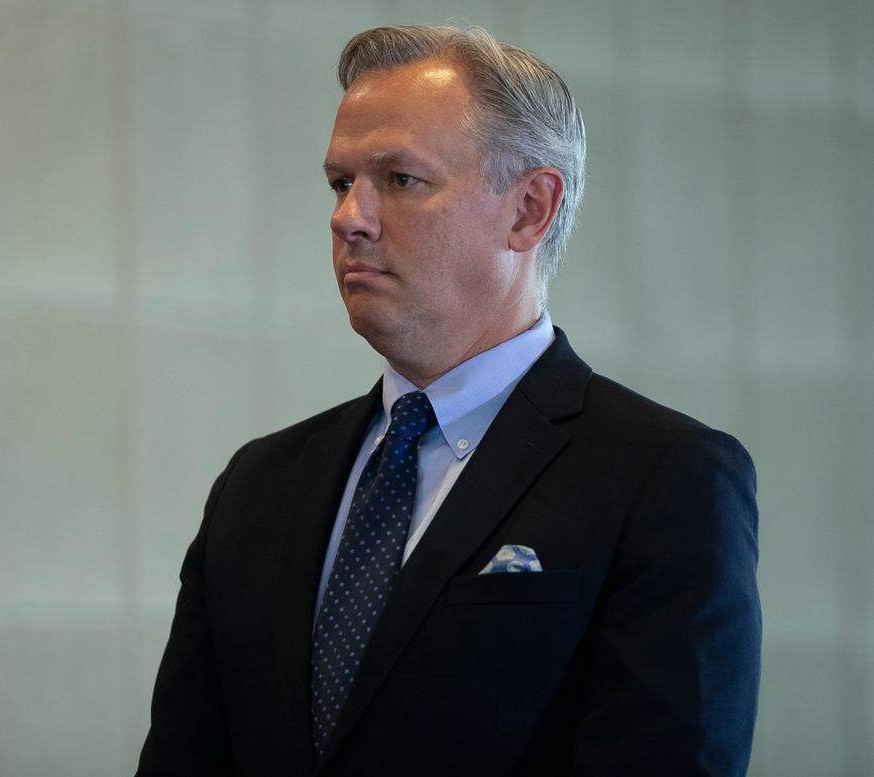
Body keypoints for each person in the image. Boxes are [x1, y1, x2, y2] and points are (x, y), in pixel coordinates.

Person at [136, 23, 760, 777]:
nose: (348, 218)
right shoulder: (256, 486)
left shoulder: (665, 477)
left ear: (529, 209)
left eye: (400, 179)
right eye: (341, 183)